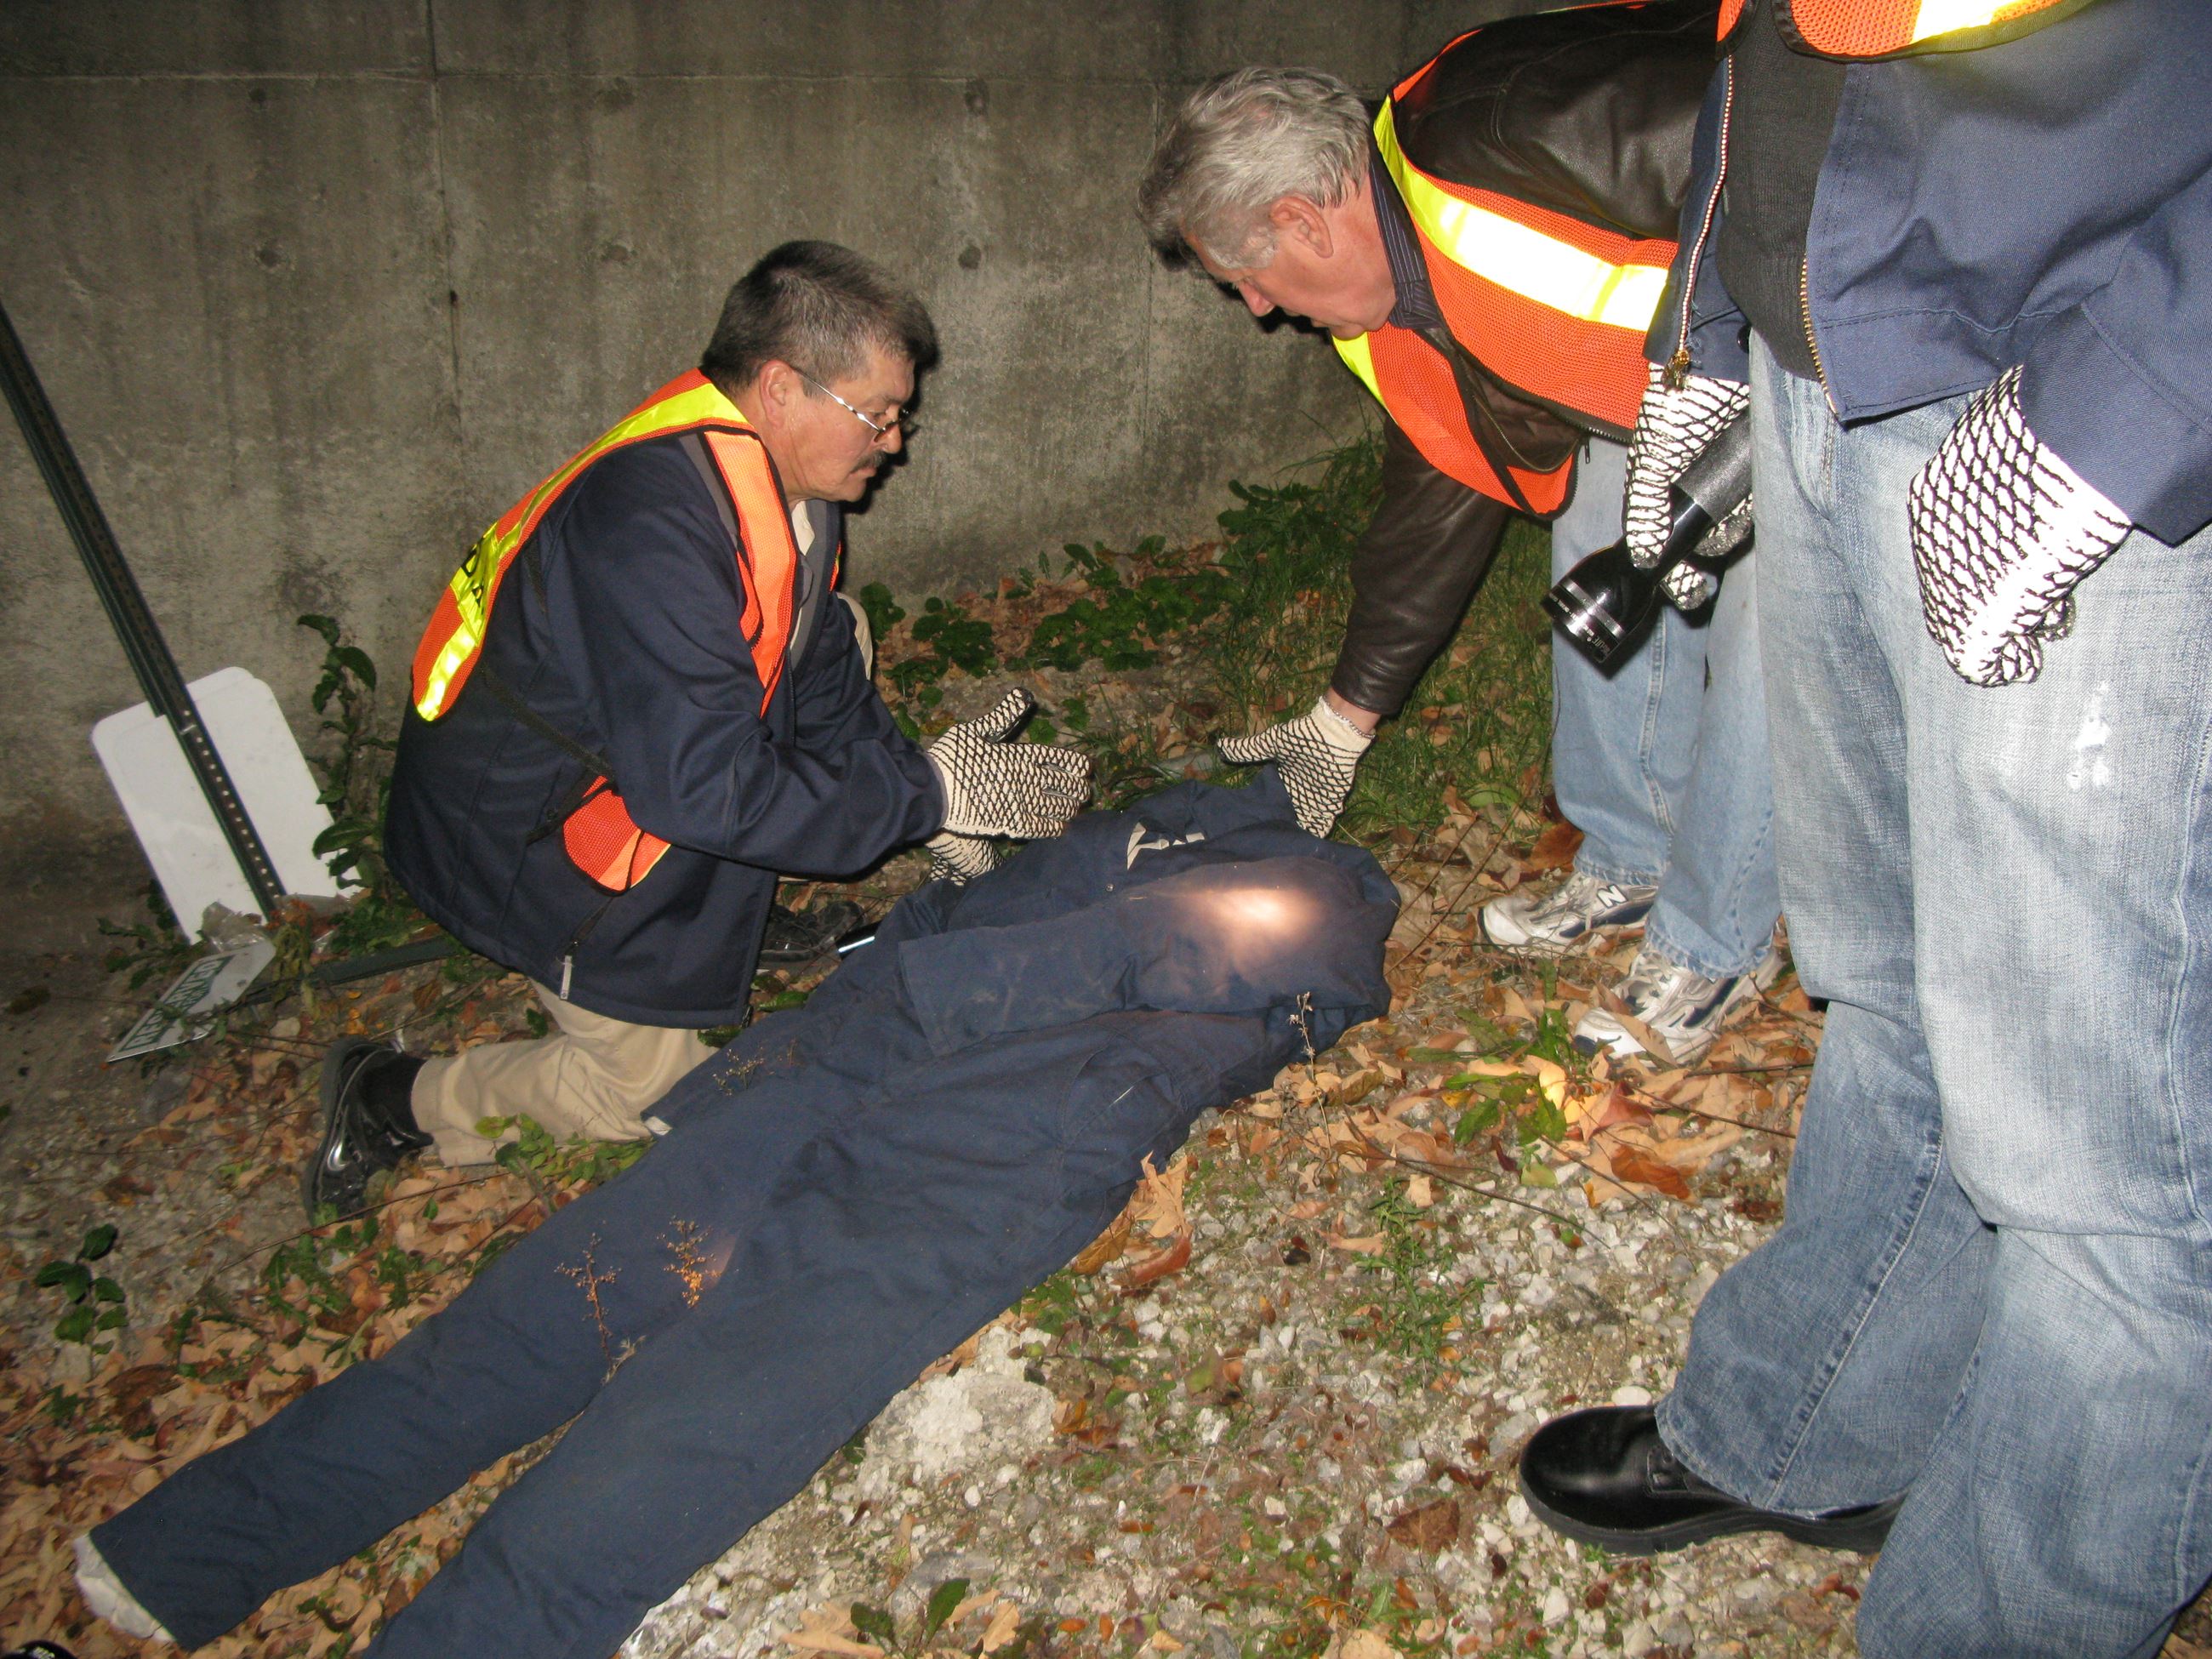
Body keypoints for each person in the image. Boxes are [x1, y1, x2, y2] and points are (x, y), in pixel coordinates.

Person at [77, 779, 1395, 1659]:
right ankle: (189, 1549)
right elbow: (938, 918)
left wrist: (933, 980)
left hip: (1001, 1132)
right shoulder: (1137, 823)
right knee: (542, 1310)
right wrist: (878, 966)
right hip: (861, 1057)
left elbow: (1252, 940)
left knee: (701, 1419)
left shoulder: (1324, 875)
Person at [1517, 2, 2212, 1653]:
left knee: (2115, 1169)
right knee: (1883, 979)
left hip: (2069, 386)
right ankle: (1815, 1429)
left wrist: (2144, 390)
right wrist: (1704, 323)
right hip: (1823, 372)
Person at [307, 242, 1092, 1217]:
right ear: (777, 387)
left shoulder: (780, 479)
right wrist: (928, 791)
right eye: (877, 415)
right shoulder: (647, 525)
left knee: (829, 626)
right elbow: (693, 789)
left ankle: (727, 912)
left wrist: (914, 801)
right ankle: (389, 1097)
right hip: (519, 832)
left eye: (900, 416)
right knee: (647, 1096)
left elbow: (812, 669)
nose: (894, 444)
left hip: (623, 753)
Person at [1135, 3, 1782, 1065]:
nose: (1254, 308)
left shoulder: (1525, 137)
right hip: (1649, 378)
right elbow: (1446, 474)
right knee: (1593, 543)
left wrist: (1756, 425)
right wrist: (1343, 720)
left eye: (1247, 275)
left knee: (1769, 614)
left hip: (1788, 348)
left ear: (1301, 219)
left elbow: (1781, 136)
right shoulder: (1395, 279)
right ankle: (1629, 853)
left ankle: (1718, 940)